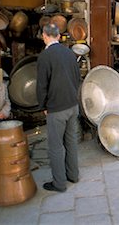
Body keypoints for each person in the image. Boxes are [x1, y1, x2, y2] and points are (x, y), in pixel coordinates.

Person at [37, 23, 81, 192]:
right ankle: (73, 175)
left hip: (57, 108)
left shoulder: (44, 56)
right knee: (71, 142)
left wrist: (43, 105)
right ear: (58, 35)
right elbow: (77, 78)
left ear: (44, 35)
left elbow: (41, 86)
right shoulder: (70, 53)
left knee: (55, 146)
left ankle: (59, 183)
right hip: (72, 105)